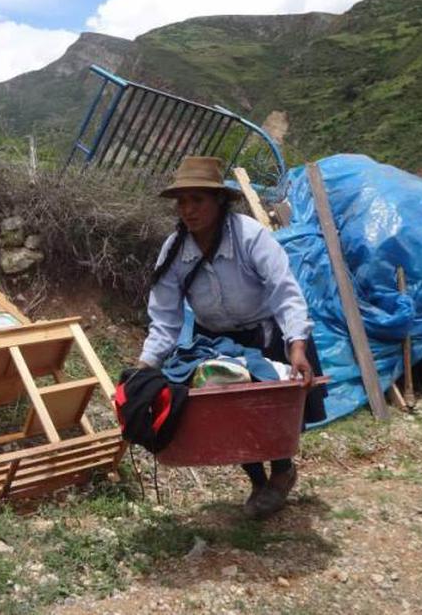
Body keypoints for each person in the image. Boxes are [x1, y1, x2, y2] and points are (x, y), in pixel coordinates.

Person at [137, 155, 326, 519]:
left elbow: (285, 292)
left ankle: (282, 470)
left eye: (197, 200)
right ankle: (258, 480)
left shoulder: (249, 236)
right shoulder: (174, 252)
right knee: (230, 418)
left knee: (267, 416)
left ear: (219, 201)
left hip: (265, 336)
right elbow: (164, 319)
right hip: (215, 343)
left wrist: (297, 346)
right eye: (182, 202)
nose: (188, 210)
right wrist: (145, 365)